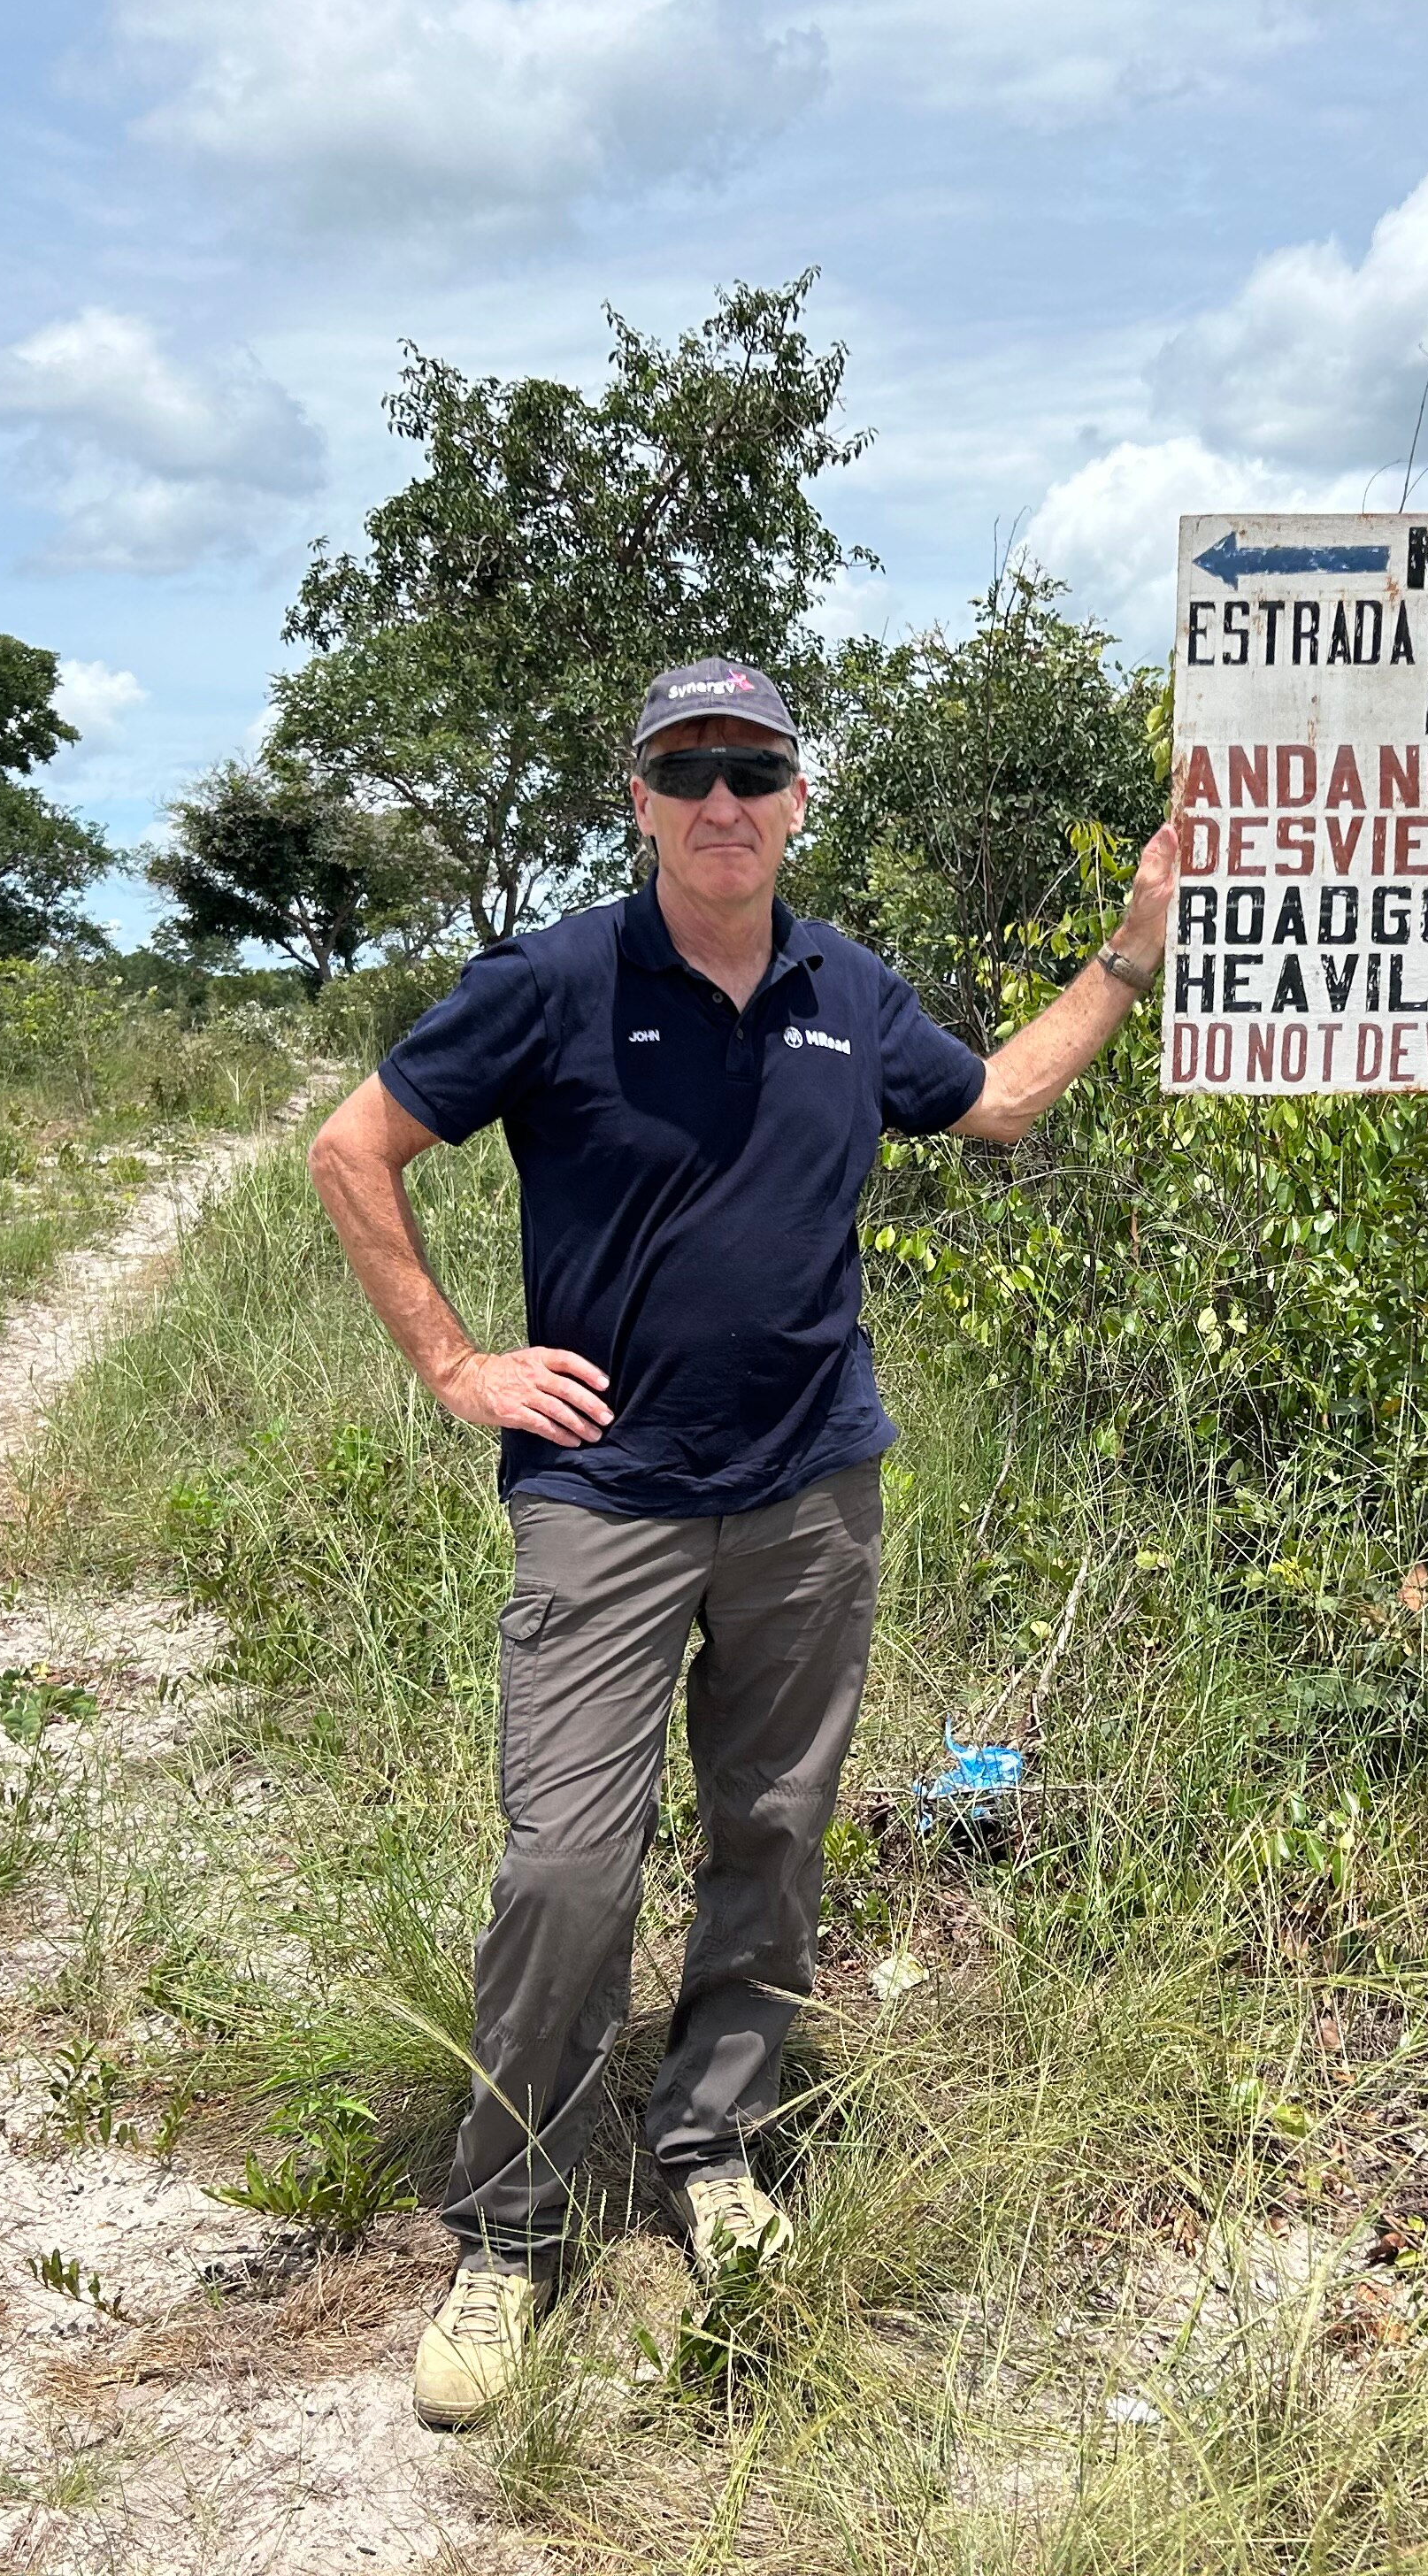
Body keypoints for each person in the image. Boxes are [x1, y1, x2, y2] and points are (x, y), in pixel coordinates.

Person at [309, 655, 1180, 2430]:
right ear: (639, 800)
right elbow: (353, 1146)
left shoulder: (847, 987)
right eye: (686, 771)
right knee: (565, 1864)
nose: (721, 802)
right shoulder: (556, 980)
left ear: (796, 797)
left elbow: (995, 1099)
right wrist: (458, 1363)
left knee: (773, 1837)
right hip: (606, 1505)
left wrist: (1131, 953)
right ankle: (512, 2222)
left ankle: (709, 2144)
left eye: (752, 771)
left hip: (807, 1499)